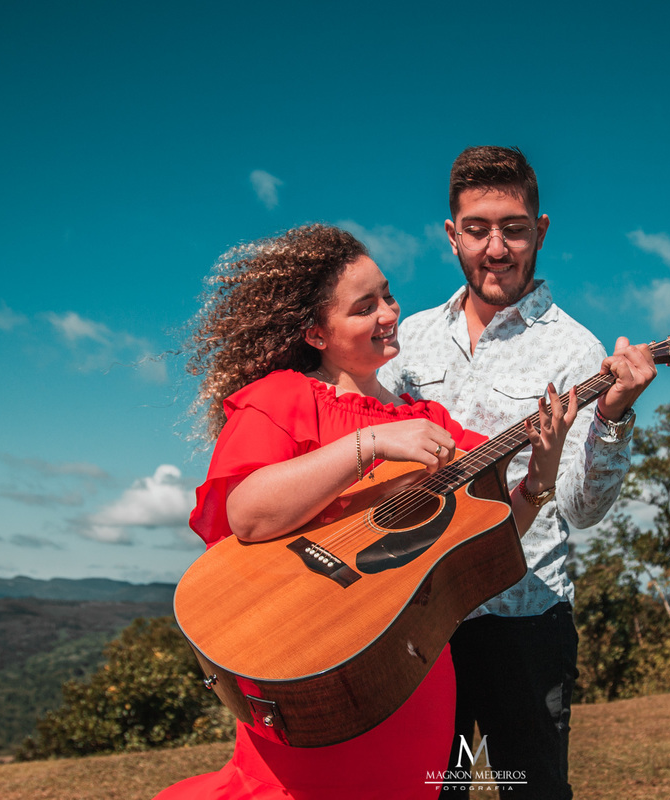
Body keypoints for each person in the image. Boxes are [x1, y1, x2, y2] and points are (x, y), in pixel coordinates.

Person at [156, 223, 577, 800]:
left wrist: (541, 477)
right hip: (305, 662)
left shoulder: (429, 421)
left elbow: (484, 533)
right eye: (364, 307)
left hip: (411, 675)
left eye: (388, 296)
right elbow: (246, 514)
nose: (389, 314)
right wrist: (372, 443)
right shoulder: (283, 398)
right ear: (316, 333)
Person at [382, 146, 657, 798]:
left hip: (526, 617)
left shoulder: (575, 349)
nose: (497, 248)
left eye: (514, 228)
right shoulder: (408, 340)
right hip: (419, 617)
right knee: (429, 791)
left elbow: (582, 510)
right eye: (477, 229)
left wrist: (612, 417)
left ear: (541, 230)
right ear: (452, 234)